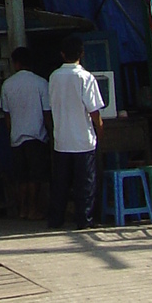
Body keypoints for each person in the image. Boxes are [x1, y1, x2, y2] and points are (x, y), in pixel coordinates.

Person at [47, 33, 105, 230]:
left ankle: (56, 219)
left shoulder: (54, 77)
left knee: (60, 183)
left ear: (62, 54)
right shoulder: (85, 77)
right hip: (83, 140)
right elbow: (94, 110)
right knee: (85, 184)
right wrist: (100, 129)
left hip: (61, 139)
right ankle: (84, 220)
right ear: (82, 53)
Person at [0, 45, 50, 221]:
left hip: (16, 137)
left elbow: (6, 115)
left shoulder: (7, 85)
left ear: (16, 64)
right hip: (36, 136)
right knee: (36, 177)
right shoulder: (41, 83)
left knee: (21, 177)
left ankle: (22, 210)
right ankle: (33, 209)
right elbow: (47, 113)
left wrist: (11, 133)